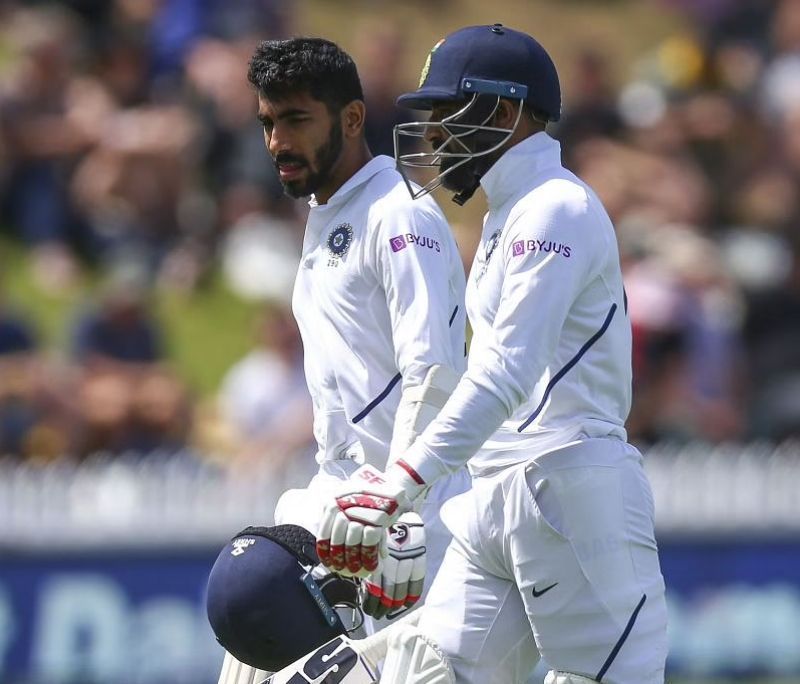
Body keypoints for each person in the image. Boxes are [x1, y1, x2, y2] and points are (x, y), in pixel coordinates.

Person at [316, 24, 669, 684]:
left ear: (504, 111)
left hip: (558, 493)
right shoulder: (519, 214)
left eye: (449, 114)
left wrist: (398, 487)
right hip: (541, 498)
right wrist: (403, 489)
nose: (434, 137)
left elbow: (505, 372)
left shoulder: (554, 209)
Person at [245, 37, 470, 621]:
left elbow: (434, 371)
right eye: (268, 122)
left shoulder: (398, 213)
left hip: (408, 511)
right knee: (247, 592)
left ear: (351, 118)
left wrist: (401, 506)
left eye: (296, 119)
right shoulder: (328, 213)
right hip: (344, 496)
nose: (277, 142)